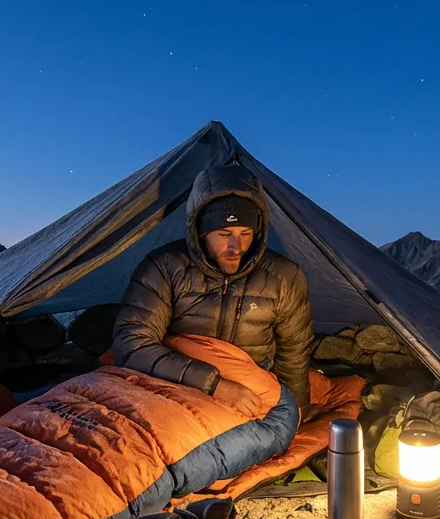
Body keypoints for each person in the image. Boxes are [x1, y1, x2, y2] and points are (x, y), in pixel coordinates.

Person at [112, 163, 314, 419]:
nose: (235, 246)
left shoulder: (283, 277)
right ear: (201, 232)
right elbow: (132, 343)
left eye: (246, 233)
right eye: (223, 233)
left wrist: (298, 410)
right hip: (172, 389)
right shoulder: (165, 266)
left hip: (249, 395)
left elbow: (292, 354)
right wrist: (214, 385)